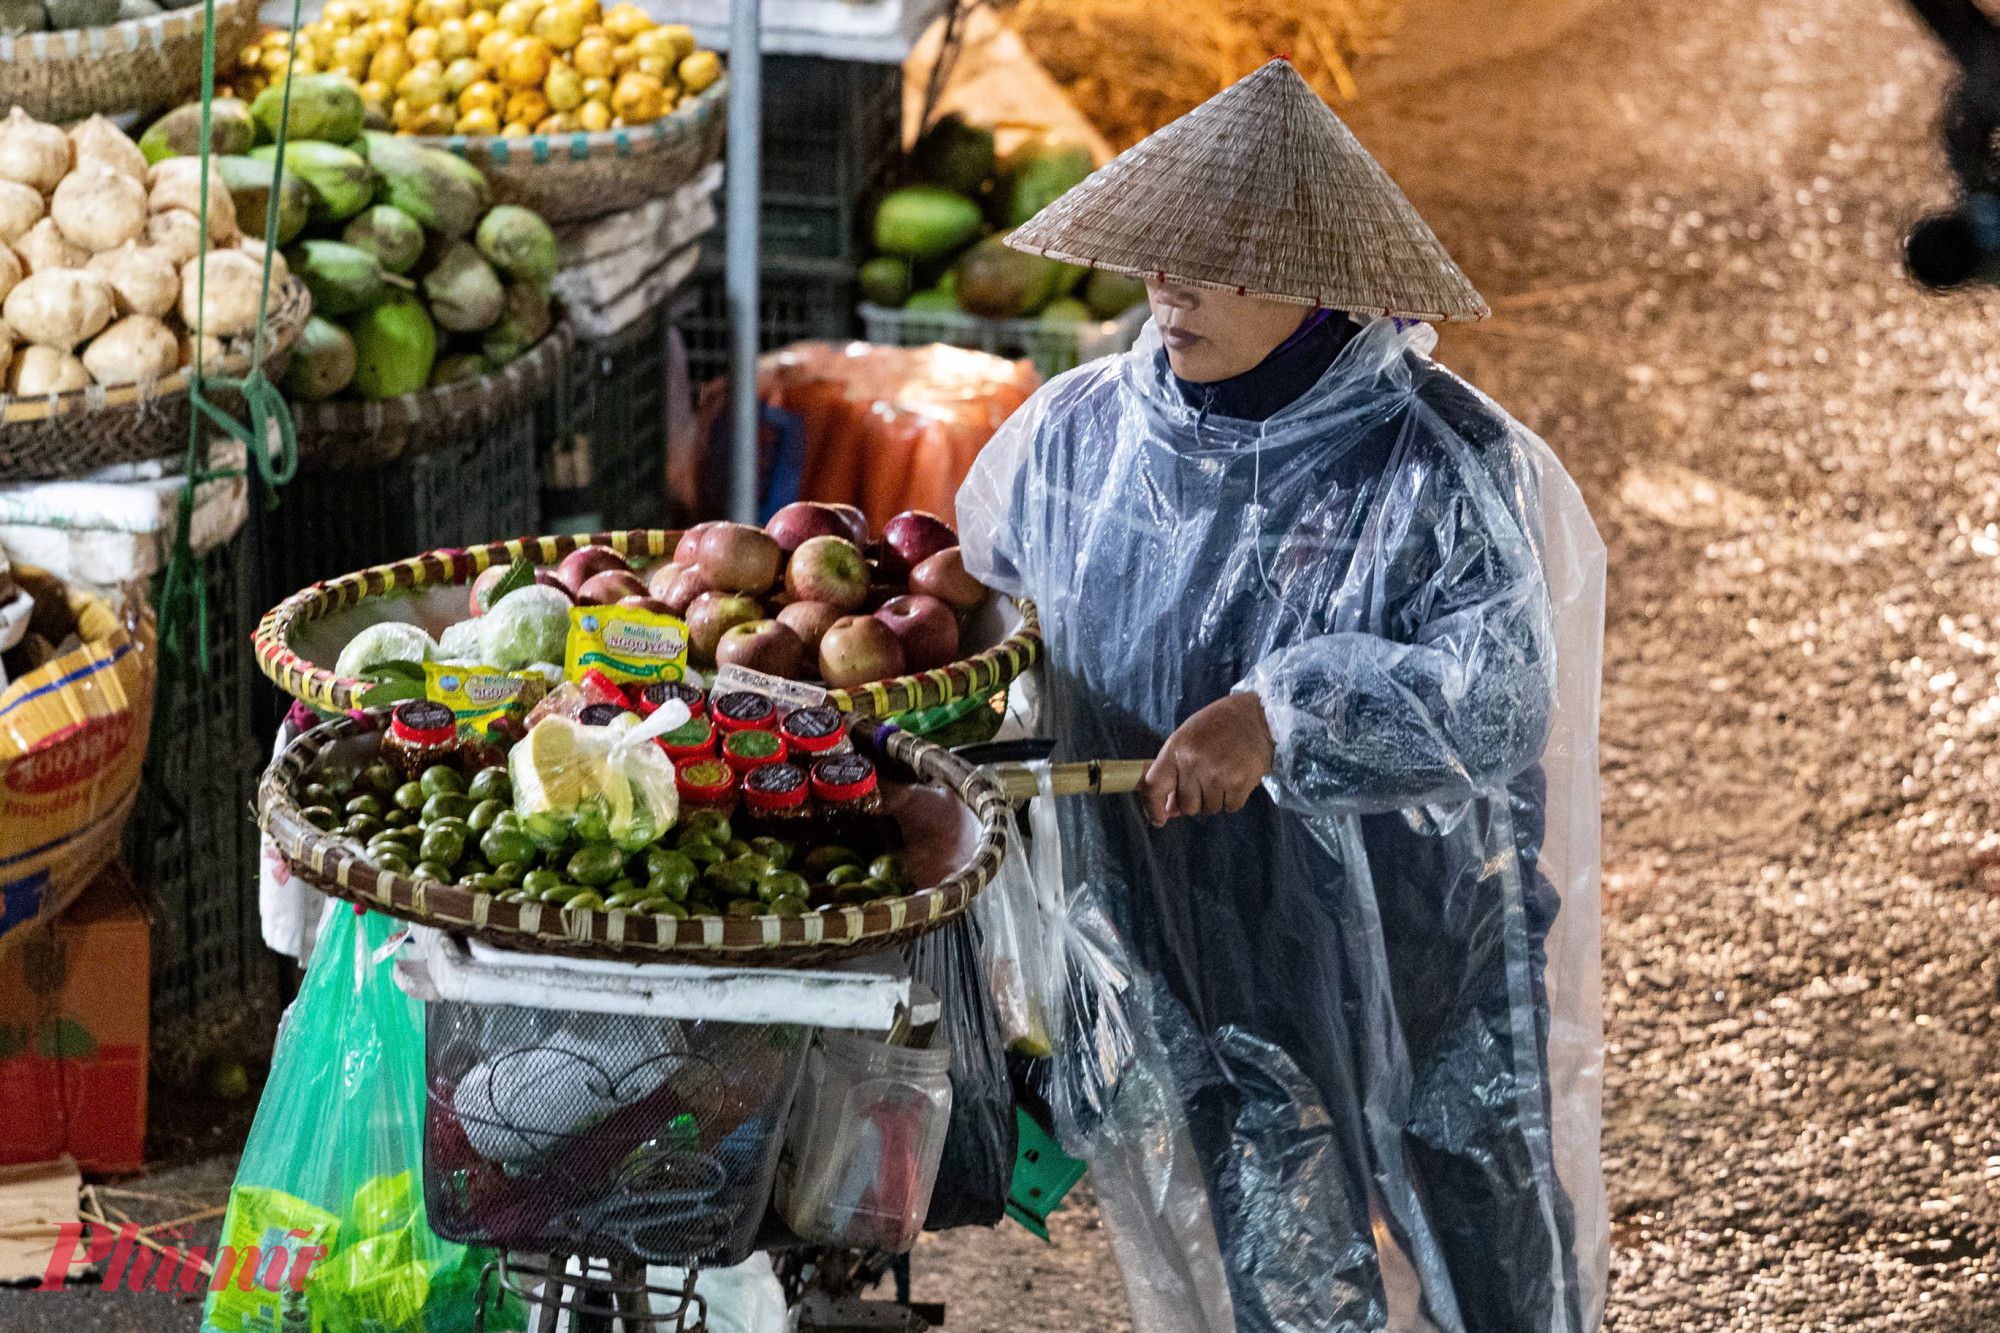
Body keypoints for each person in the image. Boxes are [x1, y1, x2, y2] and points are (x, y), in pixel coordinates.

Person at [957, 60, 1609, 1333]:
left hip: (1426, 942)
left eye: (1220, 261)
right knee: (1277, 1262)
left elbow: (1501, 695)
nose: (1168, 284)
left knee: (1482, 1241)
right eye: (1157, 251)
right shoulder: (1075, 436)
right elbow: (995, 617)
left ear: (1321, 274)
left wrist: (1283, 715)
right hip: (1189, 934)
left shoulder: (1436, 461)